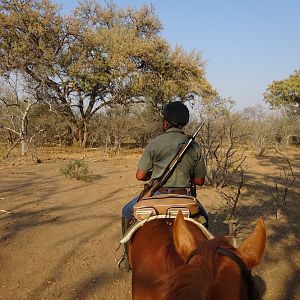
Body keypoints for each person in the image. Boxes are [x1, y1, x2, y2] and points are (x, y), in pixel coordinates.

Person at [121, 101, 208, 232]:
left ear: (166, 123)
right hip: (184, 196)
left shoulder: (154, 143)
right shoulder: (195, 146)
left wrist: (155, 174)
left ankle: (127, 252)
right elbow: (199, 181)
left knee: (126, 211)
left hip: (157, 193)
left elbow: (140, 176)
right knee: (205, 219)